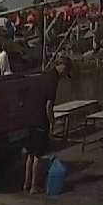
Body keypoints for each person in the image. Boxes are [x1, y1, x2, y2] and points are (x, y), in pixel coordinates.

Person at [23, 56, 70, 193]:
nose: (64, 76)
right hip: (40, 119)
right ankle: (34, 186)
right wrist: (52, 122)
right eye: (66, 72)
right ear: (62, 67)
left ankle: (26, 183)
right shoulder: (53, 80)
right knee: (38, 155)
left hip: (30, 117)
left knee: (30, 154)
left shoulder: (44, 75)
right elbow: (49, 105)